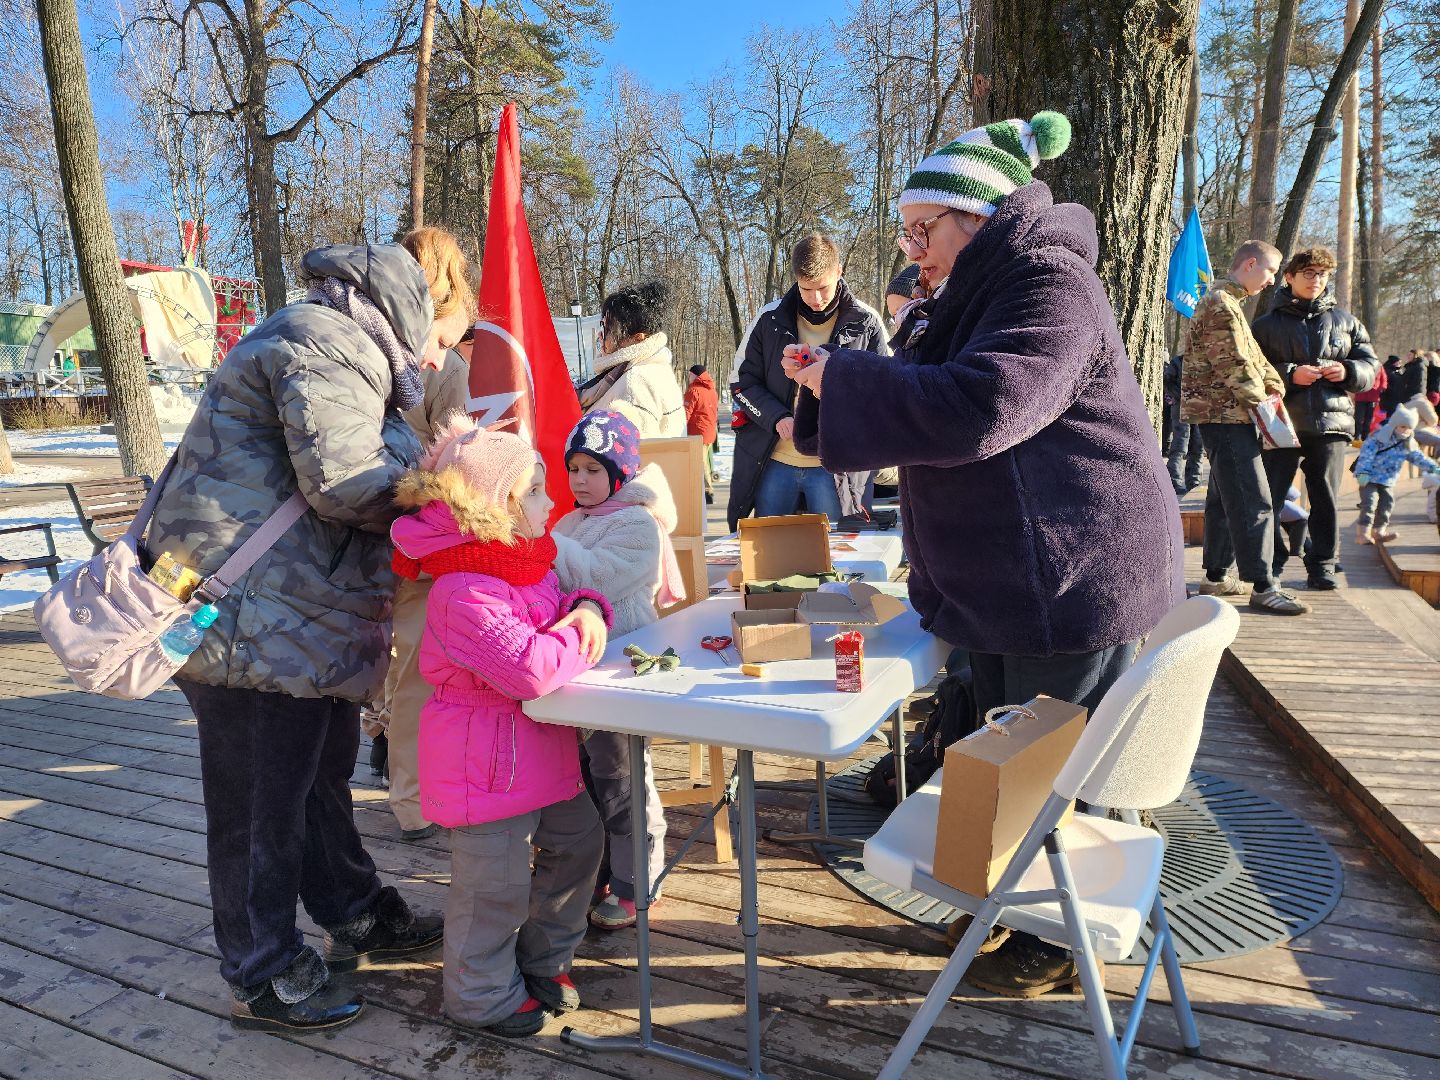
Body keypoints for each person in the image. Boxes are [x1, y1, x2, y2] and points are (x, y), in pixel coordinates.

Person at [784, 112, 1183, 995]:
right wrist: (824, 390)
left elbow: (977, 409)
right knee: (1007, 755)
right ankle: (1005, 905)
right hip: (1015, 579)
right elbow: (921, 393)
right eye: (905, 234)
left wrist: (845, 379)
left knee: (1046, 769)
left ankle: (1054, 937)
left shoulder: (1049, 285)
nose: (912, 250)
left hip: (1070, 575)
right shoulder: (975, 292)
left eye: (923, 231)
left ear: (980, 218)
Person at [146, 239, 471, 1031]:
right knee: (261, 801)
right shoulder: (325, 340)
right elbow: (343, 482)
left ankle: (353, 909)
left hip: (298, 614)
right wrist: (459, 494)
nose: (436, 362)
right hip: (253, 619)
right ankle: (260, 967)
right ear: (421, 307)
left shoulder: (349, 347)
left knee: (316, 774)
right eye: (442, 339)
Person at [391, 417, 611, 1038]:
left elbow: (560, 610)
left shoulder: (524, 565)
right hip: (484, 765)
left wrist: (585, 609)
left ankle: (544, 960)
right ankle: (479, 994)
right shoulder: (463, 590)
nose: (554, 502)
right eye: (539, 492)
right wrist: (582, 632)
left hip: (540, 752)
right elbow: (531, 667)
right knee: (494, 889)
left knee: (580, 843)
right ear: (503, 505)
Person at [551, 410, 681, 931]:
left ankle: (636, 881)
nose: (580, 481)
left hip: (620, 674)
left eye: (593, 469)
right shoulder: (571, 521)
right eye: (573, 469)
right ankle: (601, 871)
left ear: (620, 472)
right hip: (578, 673)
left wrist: (539, 543)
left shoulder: (637, 524)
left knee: (623, 778)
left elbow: (593, 575)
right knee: (587, 779)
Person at [372, 228, 476, 845]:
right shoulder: (446, 368)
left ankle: (397, 782)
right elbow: (455, 457)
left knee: (379, 669)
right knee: (411, 676)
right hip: (413, 540)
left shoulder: (351, 342)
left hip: (350, 538)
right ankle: (411, 802)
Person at [1180, 240, 1308, 614]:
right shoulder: (1221, 303)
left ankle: (1217, 576)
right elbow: (1235, 365)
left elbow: (1257, 361)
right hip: (1226, 415)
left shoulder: (1229, 303)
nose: (1271, 282)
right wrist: (1266, 406)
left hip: (1228, 415)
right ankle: (1264, 585)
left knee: (1224, 499)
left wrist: (1274, 385)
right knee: (1255, 500)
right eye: (1270, 272)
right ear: (1250, 264)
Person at [728, 233, 889, 528]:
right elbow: (741, 383)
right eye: (806, 289)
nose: (815, 299)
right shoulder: (769, 319)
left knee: (836, 560)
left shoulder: (867, 321)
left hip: (836, 467)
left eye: (823, 288)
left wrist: (837, 378)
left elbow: (885, 389)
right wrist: (776, 417)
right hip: (775, 461)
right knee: (771, 555)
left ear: (839, 271)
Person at [1251, 245, 1378, 590]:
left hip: (1332, 424)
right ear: (1289, 277)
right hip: (1281, 422)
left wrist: (1348, 370)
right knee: (1270, 496)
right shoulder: (1264, 326)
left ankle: (1323, 564)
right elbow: (1250, 370)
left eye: (1321, 274)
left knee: (1325, 496)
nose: (1316, 280)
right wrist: (1290, 374)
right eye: (1308, 273)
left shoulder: (1347, 322)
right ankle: (1270, 565)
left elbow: (1371, 366)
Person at [577, 281, 685, 438]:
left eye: (608, 329)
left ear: (637, 338)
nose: (600, 335)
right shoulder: (646, 370)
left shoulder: (636, 383)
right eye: (602, 325)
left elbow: (635, 458)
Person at [1354, 397, 1440, 544]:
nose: (1405, 431)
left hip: (1388, 479)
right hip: (1370, 478)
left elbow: (1417, 457)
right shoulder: (1379, 438)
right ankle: (1363, 534)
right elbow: (1366, 456)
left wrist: (1433, 467)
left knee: (1387, 503)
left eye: (1409, 428)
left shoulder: (1408, 442)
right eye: (1402, 427)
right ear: (1394, 425)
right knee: (1369, 503)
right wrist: (1363, 472)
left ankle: (1379, 530)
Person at [1164, 354, 1204, 498]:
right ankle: (1174, 479)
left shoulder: (1204, 360)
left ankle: (1193, 480)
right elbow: (1168, 381)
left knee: (1198, 445)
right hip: (1181, 406)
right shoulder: (1178, 362)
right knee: (1181, 443)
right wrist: (1183, 397)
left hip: (1200, 407)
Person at [683, 364, 720, 504]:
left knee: (701, 462)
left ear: (696, 375)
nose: (689, 377)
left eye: (690, 374)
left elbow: (686, 413)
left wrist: (679, 428)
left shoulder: (693, 391)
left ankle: (707, 491)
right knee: (705, 461)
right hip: (709, 431)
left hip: (697, 432)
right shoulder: (712, 390)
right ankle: (703, 488)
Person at [1353, 357, 1387, 440]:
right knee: (1358, 418)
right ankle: (1356, 436)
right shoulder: (1361, 364)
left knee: (1368, 419)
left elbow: (1384, 379)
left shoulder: (1379, 366)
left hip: (1373, 397)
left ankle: (1365, 437)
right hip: (1361, 396)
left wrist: (1382, 388)